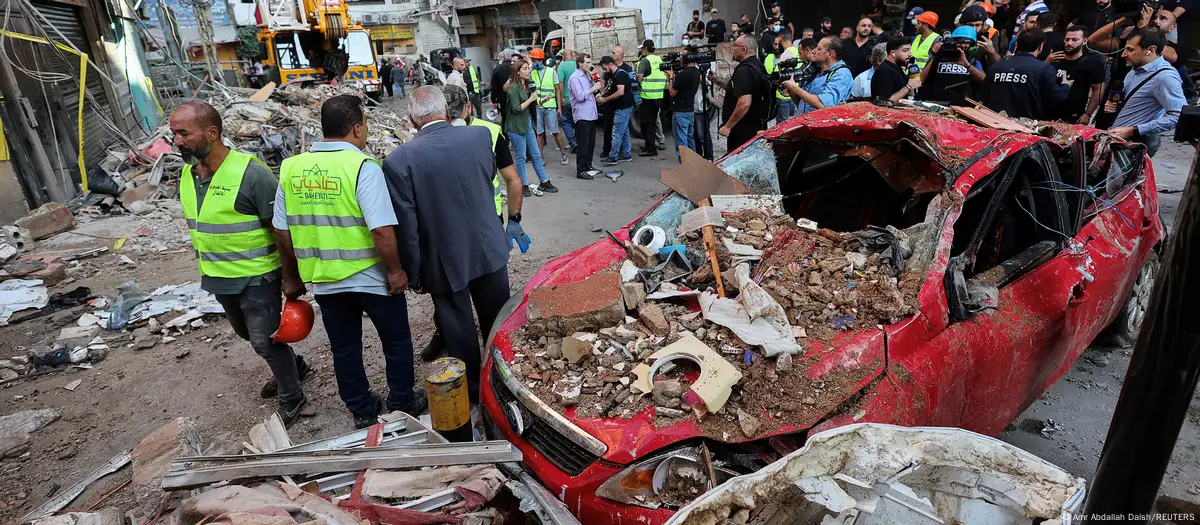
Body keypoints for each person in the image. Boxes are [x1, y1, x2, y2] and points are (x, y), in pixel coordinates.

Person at [274, 95, 424, 429]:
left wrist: (292, 275)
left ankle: (361, 409)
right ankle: (401, 401)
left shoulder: (292, 168)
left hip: (325, 280)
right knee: (396, 341)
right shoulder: (361, 167)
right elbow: (382, 230)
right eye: (365, 124)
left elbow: (281, 231)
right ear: (356, 127)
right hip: (371, 277)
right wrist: (396, 270)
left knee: (344, 347)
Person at [172, 101, 312, 426]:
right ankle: (295, 367)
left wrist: (292, 277)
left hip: (259, 276)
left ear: (212, 132)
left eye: (183, 133)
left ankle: (294, 399)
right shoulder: (188, 175)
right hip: (219, 277)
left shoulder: (252, 175)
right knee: (246, 333)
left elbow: (281, 230)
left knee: (265, 339)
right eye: (173, 134)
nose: (176, 141)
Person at [381, 87, 516, 407]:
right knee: (498, 321)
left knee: (458, 330)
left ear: (412, 118)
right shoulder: (481, 137)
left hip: (443, 259)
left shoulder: (399, 161)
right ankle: (506, 382)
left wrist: (413, 273)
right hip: (488, 247)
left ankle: (473, 394)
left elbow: (408, 228)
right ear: (447, 110)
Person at [1106, 28, 1184, 157]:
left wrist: (1134, 130)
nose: (1124, 54)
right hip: (1118, 140)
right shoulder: (1133, 72)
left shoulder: (1165, 77)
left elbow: (1178, 116)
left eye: (1130, 50)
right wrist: (1116, 107)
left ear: (1150, 50)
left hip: (1136, 145)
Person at [980, 28, 1067, 120]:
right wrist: (1065, 86)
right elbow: (1056, 98)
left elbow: (983, 96)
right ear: (1041, 46)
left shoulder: (997, 66)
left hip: (994, 123)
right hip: (1026, 127)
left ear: (1017, 44)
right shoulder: (1045, 69)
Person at [504, 59, 557, 196]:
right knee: (521, 157)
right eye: (525, 69)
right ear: (518, 72)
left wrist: (541, 100)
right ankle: (523, 185)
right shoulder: (514, 88)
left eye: (529, 68)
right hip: (516, 126)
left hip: (527, 123)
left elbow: (531, 104)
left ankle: (544, 181)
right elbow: (516, 108)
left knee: (536, 154)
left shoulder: (528, 85)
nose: (529, 71)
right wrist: (531, 99)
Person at [710, 34, 769, 151]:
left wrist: (728, 126)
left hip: (742, 131)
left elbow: (744, 102)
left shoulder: (744, 71)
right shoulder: (757, 66)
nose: (732, 49)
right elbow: (737, 89)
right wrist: (717, 81)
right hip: (755, 125)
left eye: (735, 46)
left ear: (744, 50)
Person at [781, 36, 853, 115]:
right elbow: (802, 103)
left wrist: (795, 88)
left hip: (819, 126)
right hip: (802, 122)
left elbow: (824, 105)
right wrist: (791, 90)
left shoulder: (842, 74)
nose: (813, 51)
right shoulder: (815, 70)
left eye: (819, 49)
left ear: (830, 54)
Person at [918, 25, 987, 105]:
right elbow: (921, 79)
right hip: (938, 103)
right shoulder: (941, 56)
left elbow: (984, 79)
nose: (962, 45)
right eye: (959, 42)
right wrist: (936, 55)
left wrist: (967, 65)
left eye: (966, 43)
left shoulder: (973, 60)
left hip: (963, 106)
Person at [1053, 25, 1107, 124]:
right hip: (1048, 111)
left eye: (1075, 40)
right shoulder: (1055, 58)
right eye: (1067, 39)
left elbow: (1098, 90)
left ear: (1084, 41)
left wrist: (1088, 114)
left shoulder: (1092, 62)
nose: (1069, 43)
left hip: (1073, 115)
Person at [529, 49, 569, 165]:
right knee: (539, 133)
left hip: (550, 106)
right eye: (532, 60)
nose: (533, 62)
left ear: (541, 60)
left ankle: (563, 154)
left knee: (555, 131)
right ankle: (540, 156)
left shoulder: (552, 72)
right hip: (537, 106)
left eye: (534, 60)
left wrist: (559, 107)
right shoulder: (533, 72)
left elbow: (557, 89)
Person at [569, 53, 604, 178]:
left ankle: (588, 165)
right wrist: (593, 88)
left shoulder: (587, 76)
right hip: (582, 115)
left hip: (591, 114)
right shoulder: (575, 78)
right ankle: (580, 169)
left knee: (591, 143)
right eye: (588, 63)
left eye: (590, 62)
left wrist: (596, 84)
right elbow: (580, 96)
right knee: (583, 144)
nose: (591, 65)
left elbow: (594, 91)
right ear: (580, 63)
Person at [599, 55, 636, 164]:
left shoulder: (620, 74)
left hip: (623, 107)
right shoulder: (613, 75)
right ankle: (626, 154)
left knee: (616, 132)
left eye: (605, 68)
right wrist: (600, 94)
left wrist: (605, 99)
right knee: (624, 131)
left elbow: (620, 91)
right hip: (622, 106)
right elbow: (608, 88)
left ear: (610, 64)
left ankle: (613, 156)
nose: (605, 71)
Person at [667, 48, 701, 162]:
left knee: (681, 142)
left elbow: (672, 92)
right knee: (690, 139)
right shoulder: (696, 71)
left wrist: (671, 77)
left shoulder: (684, 74)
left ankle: (685, 167)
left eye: (682, 56)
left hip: (680, 111)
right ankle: (693, 165)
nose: (680, 58)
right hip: (689, 110)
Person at [636, 39, 667, 157]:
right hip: (658, 95)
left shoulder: (644, 61)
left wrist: (638, 81)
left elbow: (639, 77)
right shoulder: (659, 60)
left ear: (646, 49)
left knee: (647, 124)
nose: (642, 51)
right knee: (651, 123)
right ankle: (649, 145)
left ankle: (651, 149)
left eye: (642, 48)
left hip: (647, 96)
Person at [871, 35, 920, 101]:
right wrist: (908, 87)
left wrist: (912, 81)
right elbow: (884, 102)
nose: (909, 54)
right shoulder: (884, 71)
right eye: (905, 50)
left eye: (909, 50)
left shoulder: (898, 69)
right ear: (893, 53)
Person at [766, 29, 800, 124]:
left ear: (780, 39)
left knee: (782, 123)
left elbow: (781, 76)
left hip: (783, 94)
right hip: (794, 93)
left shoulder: (786, 54)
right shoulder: (796, 51)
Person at [556, 49, 578, 153]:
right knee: (577, 121)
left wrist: (561, 97)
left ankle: (573, 142)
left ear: (564, 56)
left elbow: (560, 82)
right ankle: (579, 141)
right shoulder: (577, 65)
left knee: (565, 121)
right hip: (578, 99)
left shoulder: (562, 66)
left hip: (566, 99)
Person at [491, 49, 516, 126]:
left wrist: (494, 99)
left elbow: (494, 86)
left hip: (503, 99)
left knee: (505, 118)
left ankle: (506, 136)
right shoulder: (517, 67)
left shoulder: (497, 69)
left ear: (504, 56)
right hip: (517, 98)